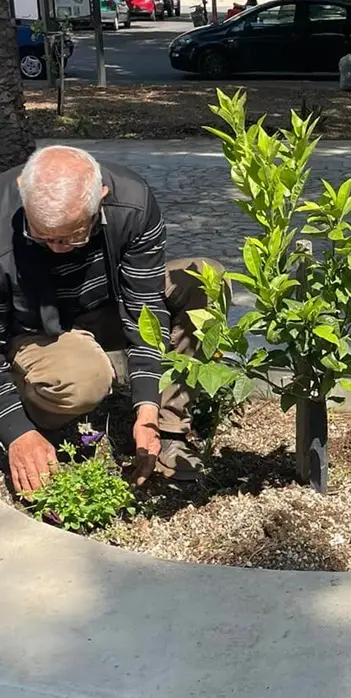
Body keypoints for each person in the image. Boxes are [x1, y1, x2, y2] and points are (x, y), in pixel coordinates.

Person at [0, 146, 223, 494]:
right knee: (86, 379)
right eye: (42, 237)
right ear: (22, 194)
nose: (59, 248)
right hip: (33, 330)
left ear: (101, 198)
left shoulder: (131, 202)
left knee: (203, 279)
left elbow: (144, 308)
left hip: (103, 308)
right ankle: (31, 403)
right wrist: (16, 430)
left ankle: (167, 431)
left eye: (74, 236)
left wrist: (146, 410)